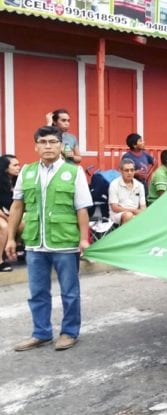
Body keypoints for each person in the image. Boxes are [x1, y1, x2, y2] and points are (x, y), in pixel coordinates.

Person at [6, 126, 93, 352]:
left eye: (52, 142)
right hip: (35, 242)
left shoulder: (74, 172)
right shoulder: (27, 172)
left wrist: (84, 239)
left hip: (65, 242)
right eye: (43, 142)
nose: (47, 146)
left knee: (69, 291)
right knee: (37, 292)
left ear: (60, 146)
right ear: (36, 146)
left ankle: (69, 332)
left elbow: (82, 209)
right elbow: (17, 207)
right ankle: (41, 333)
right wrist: (10, 239)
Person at [0, 155, 22, 272]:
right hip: (1, 213)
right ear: (5, 168)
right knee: (4, 227)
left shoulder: (15, 180)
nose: (18, 167)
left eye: (18, 164)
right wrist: (9, 219)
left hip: (6, 213)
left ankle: (18, 247)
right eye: (15, 165)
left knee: (23, 222)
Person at [108, 159, 146, 225]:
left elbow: (143, 206)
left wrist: (142, 212)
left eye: (132, 170)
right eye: (126, 170)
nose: (129, 173)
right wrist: (134, 211)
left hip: (135, 213)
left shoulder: (140, 185)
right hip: (118, 214)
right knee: (129, 215)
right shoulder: (114, 184)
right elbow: (114, 208)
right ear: (120, 171)